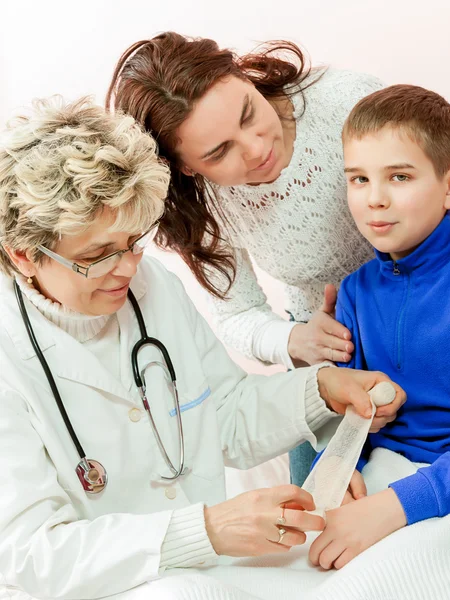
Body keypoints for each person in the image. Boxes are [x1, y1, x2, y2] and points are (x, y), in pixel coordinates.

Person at [0, 96, 405, 600]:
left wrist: (318, 390)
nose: (127, 267)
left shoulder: (150, 285)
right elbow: (31, 554)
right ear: (23, 256)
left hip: (205, 568)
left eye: (132, 241)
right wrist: (205, 530)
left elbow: (225, 416)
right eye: (98, 255)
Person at [106, 31, 450, 486]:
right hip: (335, 355)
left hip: (443, 318)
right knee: (319, 503)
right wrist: (295, 341)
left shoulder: (342, 98)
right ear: (188, 167)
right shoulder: (207, 207)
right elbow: (236, 314)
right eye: (219, 151)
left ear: (242, 74)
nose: (257, 147)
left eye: (248, 114)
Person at [308, 84, 450, 572]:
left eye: (399, 177)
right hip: (382, 481)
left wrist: (392, 508)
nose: (375, 200)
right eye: (358, 179)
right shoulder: (355, 292)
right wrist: (338, 473)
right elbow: (350, 421)